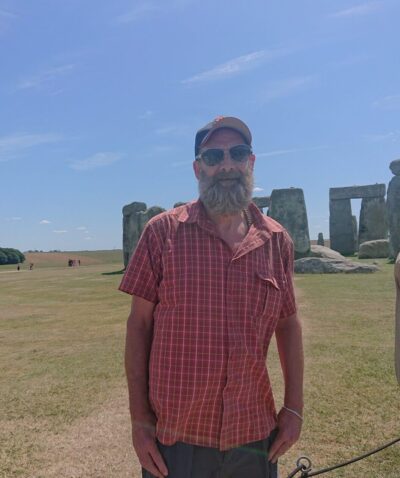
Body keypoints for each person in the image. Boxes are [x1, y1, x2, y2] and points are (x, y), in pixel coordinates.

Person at [120, 116, 304, 478]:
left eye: (238, 153)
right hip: (176, 439)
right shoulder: (161, 234)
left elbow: (288, 324)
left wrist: (294, 408)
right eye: (213, 156)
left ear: (251, 162)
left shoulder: (277, 241)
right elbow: (138, 326)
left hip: (253, 437)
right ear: (197, 168)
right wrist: (140, 419)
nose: (227, 165)